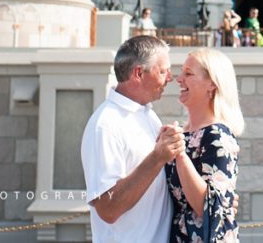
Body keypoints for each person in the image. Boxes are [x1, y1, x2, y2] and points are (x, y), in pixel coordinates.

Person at [81, 35, 183, 243]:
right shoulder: (106, 125)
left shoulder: (148, 114)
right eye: (163, 71)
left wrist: (215, 201)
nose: (170, 78)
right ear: (138, 73)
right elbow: (108, 209)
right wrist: (157, 157)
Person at [166, 48, 243, 242]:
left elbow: (208, 208)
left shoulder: (217, 136)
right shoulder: (183, 135)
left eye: (188, 73)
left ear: (212, 84)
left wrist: (180, 154)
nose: (179, 78)